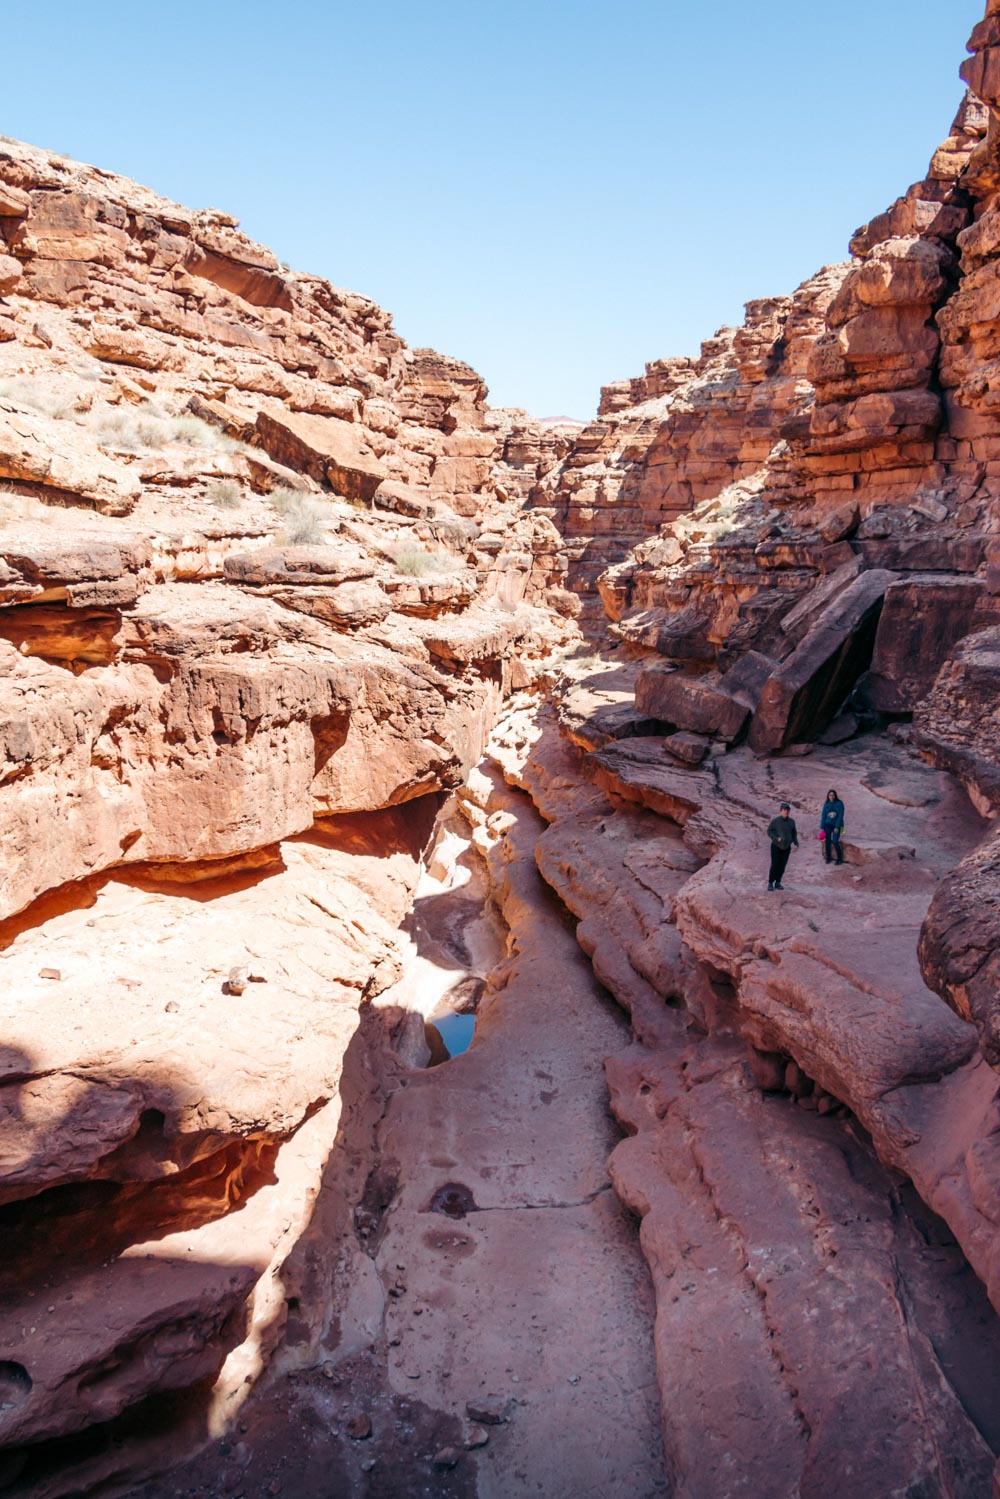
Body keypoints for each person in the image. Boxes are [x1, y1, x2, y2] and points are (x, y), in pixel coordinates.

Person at [767, 802, 798, 890]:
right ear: (781, 811)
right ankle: (770, 883)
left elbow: (794, 833)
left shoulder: (792, 822)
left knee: (782, 865)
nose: (786, 812)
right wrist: (775, 838)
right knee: (775, 864)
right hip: (776, 846)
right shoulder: (776, 821)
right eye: (784, 810)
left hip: (786, 847)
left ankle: (778, 882)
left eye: (787, 810)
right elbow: (769, 831)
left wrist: (795, 842)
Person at [820, 788, 845, 866]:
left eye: (833, 795)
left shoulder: (839, 804)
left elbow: (840, 816)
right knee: (827, 841)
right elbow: (823, 815)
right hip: (827, 824)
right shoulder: (826, 804)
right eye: (830, 795)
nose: (831, 796)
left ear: (835, 796)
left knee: (834, 841)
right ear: (828, 796)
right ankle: (828, 857)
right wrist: (822, 826)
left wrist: (837, 827)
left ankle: (840, 859)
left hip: (836, 825)